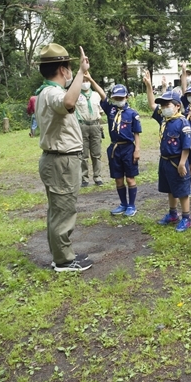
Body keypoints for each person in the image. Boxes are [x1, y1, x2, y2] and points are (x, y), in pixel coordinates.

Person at [34, 43, 93, 271]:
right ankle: (64, 261)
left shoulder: (45, 93)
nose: (70, 72)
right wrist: (81, 72)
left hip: (57, 159)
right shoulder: (52, 93)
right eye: (69, 68)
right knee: (64, 210)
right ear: (62, 70)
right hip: (61, 161)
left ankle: (61, 254)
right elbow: (69, 102)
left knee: (58, 209)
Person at [143, 71, 191, 232]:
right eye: (163, 105)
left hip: (178, 161)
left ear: (177, 106)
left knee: (183, 191)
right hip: (165, 160)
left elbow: (186, 145)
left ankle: (186, 217)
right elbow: (152, 105)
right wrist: (149, 86)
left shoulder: (182, 122)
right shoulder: (164, 120)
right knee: (170, 188)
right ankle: (173, 214)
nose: (164, 108)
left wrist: (182, 163)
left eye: (167, 105)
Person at [100, 84, 142, 217]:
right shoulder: (110, 110)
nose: (118, 100)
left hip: (128, 148)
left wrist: (137, 149)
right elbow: (102, 96)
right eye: (115, 98)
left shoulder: (132, 114)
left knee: (130, 179)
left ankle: (132, 205)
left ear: (127, 97)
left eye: (121, 97)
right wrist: (90, 79)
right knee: (118, 179)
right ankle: (123, 204)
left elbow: (136, 133)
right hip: (114, 148)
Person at [75, 71, 104, 187]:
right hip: (82, 126)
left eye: (87, 81)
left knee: (96, 153)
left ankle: (97, 176)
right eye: (83, 81)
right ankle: (84, 178)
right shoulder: (76, 95)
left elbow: (103, 99)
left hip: (95, 125)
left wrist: (91, 79)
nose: (85, 83)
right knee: (83, 154)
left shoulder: (96, 95)